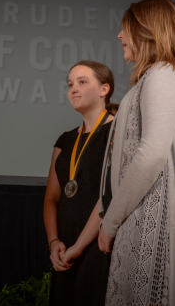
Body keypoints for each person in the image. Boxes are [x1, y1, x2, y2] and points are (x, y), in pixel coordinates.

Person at [98, 0, 175, 305]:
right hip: (143, 217)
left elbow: (150, 155)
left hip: (162, 227)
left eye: (125, 28)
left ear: (147, 31)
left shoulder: (165, 75)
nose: (120, 35)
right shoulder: (156, 77)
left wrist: (110, 223)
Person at [43, 60, 118, 306]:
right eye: (70, 84)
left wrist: (78, 247)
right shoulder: (64, 140)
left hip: (98, 244)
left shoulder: (118, 132)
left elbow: (109, 195)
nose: (73, 89)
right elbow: (52, 198)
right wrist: (55, 242)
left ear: (103, 89)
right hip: (64, 249)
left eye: (82, 82)